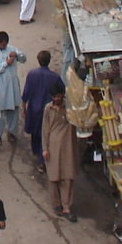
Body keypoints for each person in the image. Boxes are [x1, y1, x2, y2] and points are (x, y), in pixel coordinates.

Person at [22, 51, 64, 174]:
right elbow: (62, 91)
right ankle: (42, 160)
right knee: (45, 134)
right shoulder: (55, 77)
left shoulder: (32, 74)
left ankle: (37, 153)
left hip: (34, 109)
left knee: (35, 133)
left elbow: (26, 92)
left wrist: (23, 106)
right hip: (48, 110)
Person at [42, 87, 78, 220]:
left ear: (62, 95)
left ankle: (67, 206)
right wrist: (45, 148)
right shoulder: (48, 109)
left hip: (68, 146)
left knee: (67, 177)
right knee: (54, 176)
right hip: (53, 146)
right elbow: (45, 129)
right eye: (54, 97)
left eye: (58, 96)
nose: (56, 99)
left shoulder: (70, 108)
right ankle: (57, 205)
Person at [0, 33, 24, 146]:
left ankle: (11, 132)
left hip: (12, 85)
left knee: (13, 110)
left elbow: (24, 58)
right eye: (3, 44)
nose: (4, 46)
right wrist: (5, 64)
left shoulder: (11, 49)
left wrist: (17, 54)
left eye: (6, 44)